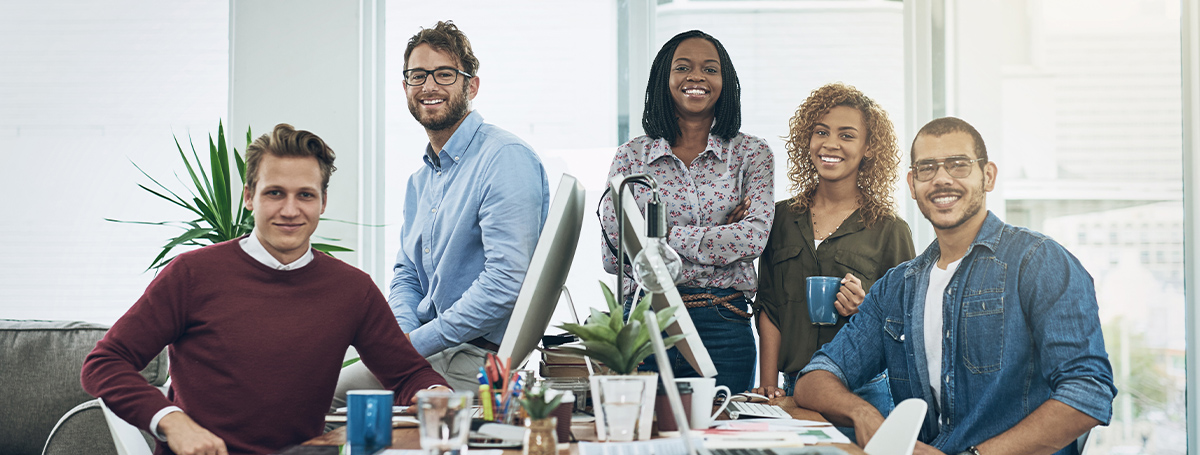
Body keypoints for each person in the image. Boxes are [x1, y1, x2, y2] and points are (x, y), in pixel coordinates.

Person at [81, 124, 449, 455]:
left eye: (305, 195)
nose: (290, 210)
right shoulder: (191, 275)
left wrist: (435, 394)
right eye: (275, 193)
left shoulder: (352, 290)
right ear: (249, 197)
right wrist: (171, 420)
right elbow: (105, 363)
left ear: (323, 202)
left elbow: (408, 374)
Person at [793, 117, 1116, 455]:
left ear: (987, 176)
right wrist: (865, 415)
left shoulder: (1039, 261)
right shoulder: (897, 287)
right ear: (912, 183)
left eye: (959, 165)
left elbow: (1088, 391)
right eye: (927, 168)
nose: (942, 179)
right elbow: (816, 377)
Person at [337, 20, 549, 395]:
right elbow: (406, 274)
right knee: (314, 389)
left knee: (323, 399)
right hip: (434, 351)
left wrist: (412, 345)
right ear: (405, 88)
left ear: (472, 85)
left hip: (477, 361)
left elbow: (506, 283)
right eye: (417, 75)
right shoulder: (420, 181)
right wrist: (401, 335)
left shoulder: (504, 158)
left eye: (444, 74)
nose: (429, 86)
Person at [600, 30, 773, 393]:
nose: (697, 77)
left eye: (710, 69)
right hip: (647, 321)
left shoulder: (752, 155)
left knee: (721, 439)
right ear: (665, 79)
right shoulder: (631, 157)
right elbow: (617, 254)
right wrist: (717, 239)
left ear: (725, 83)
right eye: (683, 67)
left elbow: (753, 237)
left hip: (723, 322)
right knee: (647, 437)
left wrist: (659, 238)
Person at [752, 83, 915, 411]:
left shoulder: (890, 230)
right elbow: (768, 307)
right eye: (821, 132)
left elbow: (905, 326)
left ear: (869, 147)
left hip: (862, 390)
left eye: (847, 135)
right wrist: (768, 384)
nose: (831, 144)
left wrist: (865, 308)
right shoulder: (780, 218)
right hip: (792, 391)